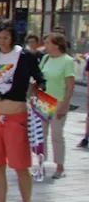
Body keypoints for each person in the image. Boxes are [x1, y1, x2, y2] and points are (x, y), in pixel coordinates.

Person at [0, 19, 44, 202]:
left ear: (13, 37)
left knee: (20, 165)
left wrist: (36, 94)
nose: (3, 42)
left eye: (6, 37)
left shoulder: (25, 56)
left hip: (16, 116)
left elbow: (39, 79)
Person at [39, 32, 75, 180]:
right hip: (43, 100)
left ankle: (60, 167)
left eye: (47, 42)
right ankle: (40, 165)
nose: (45, 45)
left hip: (58, 100)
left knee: (56, 135)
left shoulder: (67, 61)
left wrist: (65, 104)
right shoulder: (45, 59)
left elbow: (70, 86)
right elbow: (38, 78)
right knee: (41, 135)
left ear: (56, 44)